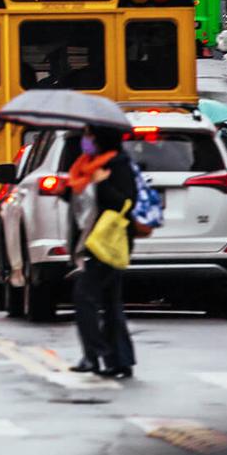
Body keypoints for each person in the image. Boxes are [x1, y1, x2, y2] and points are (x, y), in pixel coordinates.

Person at [65, 126, 138, 379]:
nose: (85, 141)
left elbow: (125, 202)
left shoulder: (116, 164)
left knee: (85, 297)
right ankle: (119, 360)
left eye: (89, 135)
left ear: (101, 138)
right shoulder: (85, 165)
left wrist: (101, 183)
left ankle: (96, 355)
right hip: (92, 241)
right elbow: (80, 199)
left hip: (106, 242)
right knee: (109, 301)